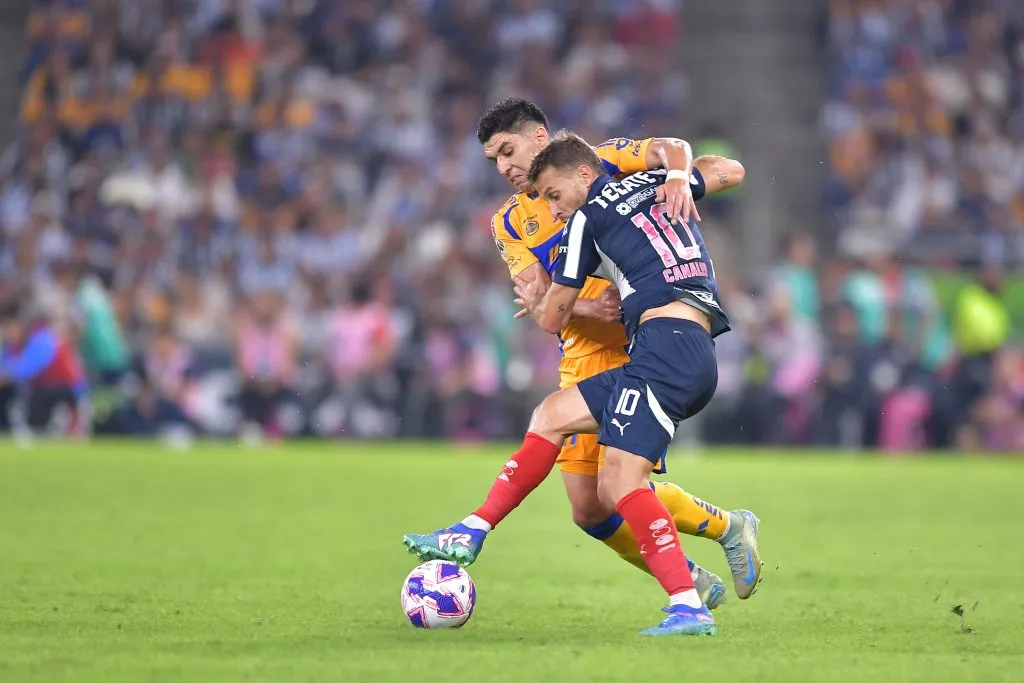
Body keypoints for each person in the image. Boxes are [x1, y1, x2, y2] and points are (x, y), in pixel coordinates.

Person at [405, 132, 760, 635]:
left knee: (619, 484)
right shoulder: (650, 183)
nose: (552, 208)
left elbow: (552, 316)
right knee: (560, 437)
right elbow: (731, 171)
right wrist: (681, 178)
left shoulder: (587, 218)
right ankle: (471, 529)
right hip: (679, 343)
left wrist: (539, 305)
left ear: (578, 173)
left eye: (553, 195)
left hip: (659, 351)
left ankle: (689, 598)